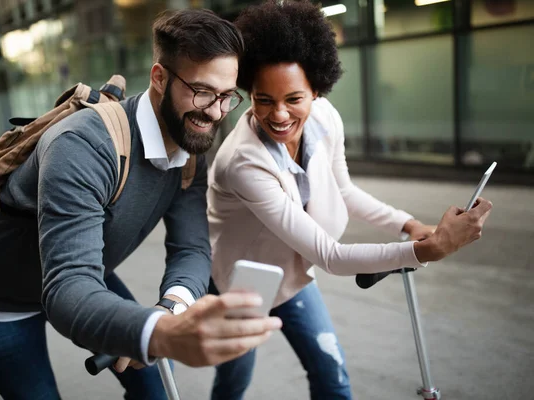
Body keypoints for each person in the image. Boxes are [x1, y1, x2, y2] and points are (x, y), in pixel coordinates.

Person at [0, 9, 282, 400]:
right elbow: (67, 288)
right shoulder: (84, 146)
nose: (216, 112)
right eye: (203, 91)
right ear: (159, 78)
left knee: (155, 387)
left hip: (87, 268)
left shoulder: (191, 148)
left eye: (227, 96)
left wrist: (168, 312)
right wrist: (158, 333)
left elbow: (191, 247)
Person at [206, 1, 493, 399]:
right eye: (263, 99)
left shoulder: (325, 118)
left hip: (293, 273)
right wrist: (429, 249)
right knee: (235, 377)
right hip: (242, 281)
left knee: (332, 372)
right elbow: (332, 256)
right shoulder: (242, 163)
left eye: (294, 98)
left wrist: (408, 225)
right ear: (247, 92)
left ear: (317, 91)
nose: (279, 115)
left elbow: (344, 190)